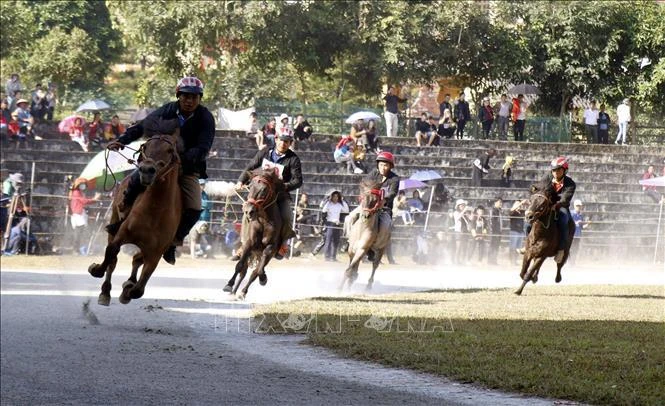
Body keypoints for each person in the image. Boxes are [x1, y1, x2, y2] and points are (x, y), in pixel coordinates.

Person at [107, 76, 216, 265]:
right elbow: (142, 126)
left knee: (195, 207)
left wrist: (182, 160)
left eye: (194, 97)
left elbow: (203, 147)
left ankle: (174, 241)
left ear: (200, 98)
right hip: (159, 164)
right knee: (133, 181)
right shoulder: (167, 110)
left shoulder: (205, 117)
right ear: (178, 96)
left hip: (187, 168)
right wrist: (122, 140)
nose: (189, 101)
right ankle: (122, 218)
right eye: (185, 96)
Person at [235, 130, 303, 260]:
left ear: (290, 143)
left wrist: (284, 186)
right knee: (247, 212)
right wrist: (240, 181)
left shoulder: (293, 159)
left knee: (287, 217)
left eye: (287, 141)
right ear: (276, 139)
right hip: (260, 193)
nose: (283, 143)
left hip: (279, 195)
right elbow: (250, 167)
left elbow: (298, 181)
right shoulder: (264, 152)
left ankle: (283, 245)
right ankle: (243, 244)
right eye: (281, 140)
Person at [351, 151, 400, 261]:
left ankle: (375, 246)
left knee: (386, 225)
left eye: (386, 165)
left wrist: (384, 200)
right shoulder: (373, 173)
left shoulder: (395, 179)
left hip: (384, 208)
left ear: (390, 166)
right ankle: (349, 240)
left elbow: (393, 193)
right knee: (350, 217)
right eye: (381, 164)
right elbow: (364, 185)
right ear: (378, 164)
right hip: (369, 205)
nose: (383, 167)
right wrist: (364, 196)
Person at [528, 157, 576, 262]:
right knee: (529, 220)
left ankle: (561, 250)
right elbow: (538, 187)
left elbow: (565, 199)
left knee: (563, 221)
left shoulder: (570, 183)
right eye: (554, 170)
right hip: (546, 205)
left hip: (561, 207)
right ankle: (527, 245)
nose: (556, 172)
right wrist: (534, 193)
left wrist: (556, 205)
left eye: (559, 169)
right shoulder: (547, 177)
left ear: (564, 170)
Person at [69, 178, 101, 255]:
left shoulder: (78, 192)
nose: (83, 186)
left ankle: (78, 249)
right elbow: (84, 201)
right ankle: (76, 249)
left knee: (80, 232)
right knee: (78, 232)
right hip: (78, 214)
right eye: (82, 184)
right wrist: (95, 199)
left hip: (78, 213)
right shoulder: (76, 192)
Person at [321, 190, 349, 262]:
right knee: (328, 240)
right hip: (330, 223)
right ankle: (327, 257)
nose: (335, 198)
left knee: (336, 241)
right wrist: (327, 200)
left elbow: (346, 210)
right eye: (334, 196)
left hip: (337, 224)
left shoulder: (340, 205)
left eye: (337, 196)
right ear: (332, 197)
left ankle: (333, 257)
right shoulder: (329, 204)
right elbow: (323, 209)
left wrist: (343, 200)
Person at [189, 179, 211, 259]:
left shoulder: (205, 194)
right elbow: (197, 204)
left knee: (203, 238)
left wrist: (204, 205)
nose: (202, 186)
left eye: (203, 185)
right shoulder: (195, 193)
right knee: (194, 238)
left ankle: (203, 253)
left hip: (204, 220)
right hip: (196, 220)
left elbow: (209, 205)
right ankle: (193, 255)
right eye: (201, 184)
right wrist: (204, 204)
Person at [570, 199, 590, 265]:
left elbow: (581, 227)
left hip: (578, 236)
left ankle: (573, 263)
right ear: (575, 206)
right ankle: (568, 263)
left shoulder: (581, 215)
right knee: (570, 250)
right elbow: (569, 223)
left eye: (580, 206)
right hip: (571, 235)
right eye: (577, 206)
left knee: (575, 250)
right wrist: (576, 223)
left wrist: (587, 225)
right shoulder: (571, 213)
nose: (579, 207)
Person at [509, 199, 528, 265]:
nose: (519, 206)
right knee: (513, 247)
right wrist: (520, 203)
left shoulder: (521, 212)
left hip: (520, 231)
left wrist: (525, 203)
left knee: (518, 247)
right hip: (514, 231)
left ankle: (515, 260)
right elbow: (512, 210)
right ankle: (512, 261)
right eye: (516, 204)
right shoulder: (513, 212)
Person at [488, 197, 504, 265]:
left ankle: (494, 260)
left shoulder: (499, 210)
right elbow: (491, 221)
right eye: (499, 202)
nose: (501, 203)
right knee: (492, 245)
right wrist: (493, 231)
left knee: (496, 245)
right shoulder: (493, 210)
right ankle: (490, 260)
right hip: (494, 231)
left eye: (501, 202)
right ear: (495, 202)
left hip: (499, 231)